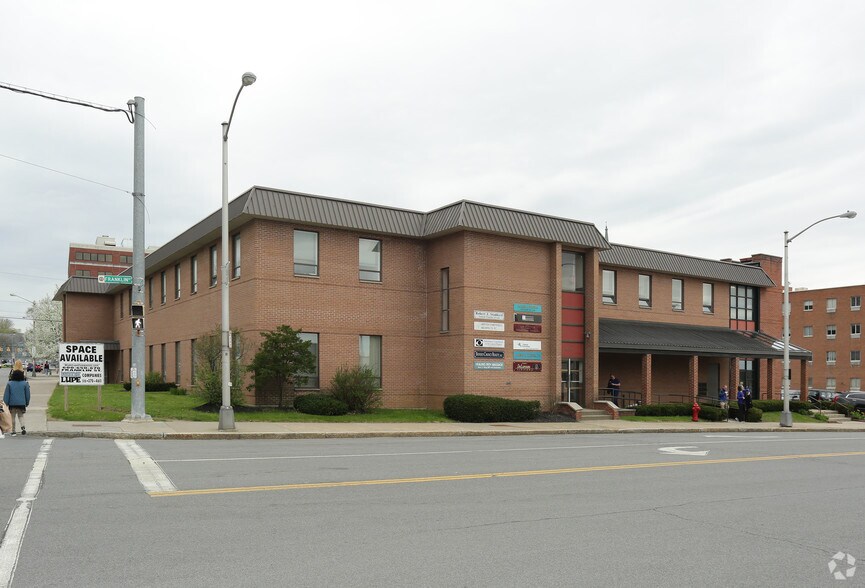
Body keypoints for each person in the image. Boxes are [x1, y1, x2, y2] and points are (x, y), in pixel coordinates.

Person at [4, 359, 31, 436]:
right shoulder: (25, 384)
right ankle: (23, 427)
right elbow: (27, 394)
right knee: (21, 416)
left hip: (12, 403)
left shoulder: (9, 383)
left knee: (12, 417)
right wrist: (27, 402)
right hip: (21, 403)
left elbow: (7, 394)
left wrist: (6, 403)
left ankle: (13, 431)